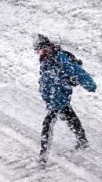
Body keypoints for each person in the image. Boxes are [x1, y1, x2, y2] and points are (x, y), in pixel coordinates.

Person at [34, 34, 96, 163]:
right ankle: (82, 140)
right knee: (71, 118)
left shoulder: (59, 58)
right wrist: (44, 92)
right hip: (54, 99)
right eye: (38, 52)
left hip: (59, 98)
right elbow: (45, 79)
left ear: (48, 47)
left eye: (42, 50)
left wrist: (90, 85)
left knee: (48, 124)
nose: (41, 53)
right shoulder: (45, 60)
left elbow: (77, 72)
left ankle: (43, 155)